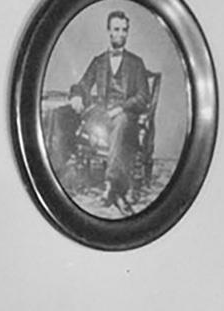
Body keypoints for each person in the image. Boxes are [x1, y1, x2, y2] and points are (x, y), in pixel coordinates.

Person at [66, 9, 153, 211]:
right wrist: (77, 95)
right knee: (71, 117)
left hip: (125, 117)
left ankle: (110, 185)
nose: (121, 34)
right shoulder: (99, 61)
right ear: (109, 31)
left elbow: (143, 97)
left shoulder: (136, 63)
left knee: (121, 123)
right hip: (102, 115)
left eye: (124, 30)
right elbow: (83, 84)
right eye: (116, 29)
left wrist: (121, 107)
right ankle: (118, 190)